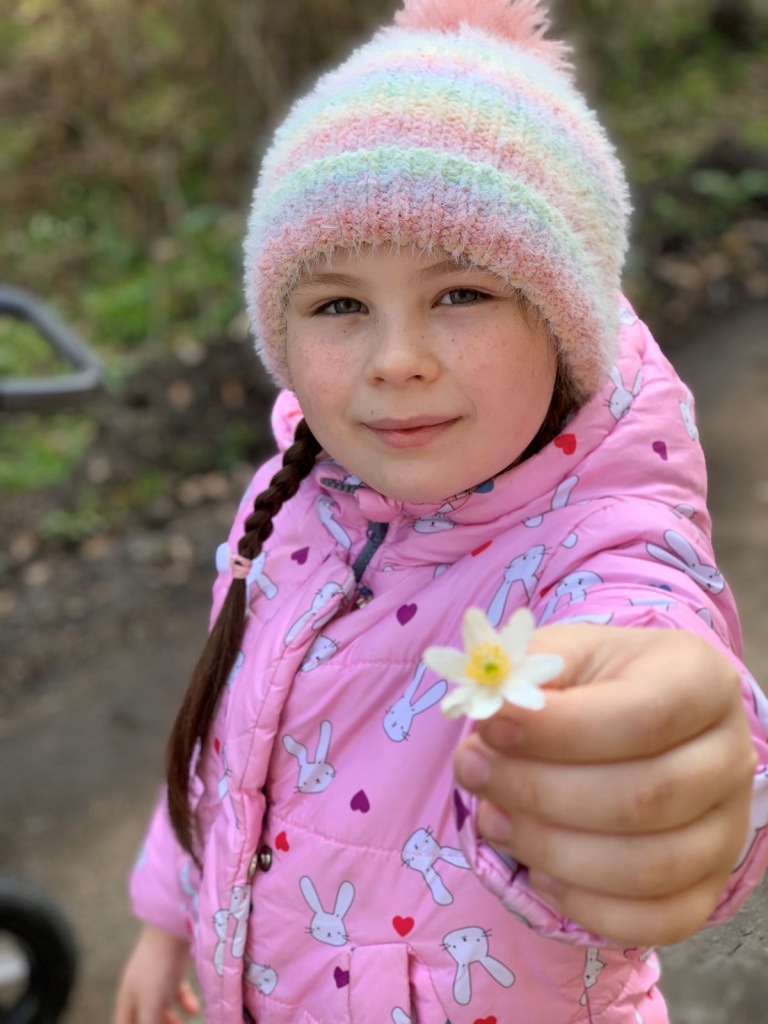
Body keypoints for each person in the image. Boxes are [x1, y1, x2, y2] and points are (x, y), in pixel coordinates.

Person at [114, 1, 768, 1021]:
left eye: (460, 293)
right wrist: (169, 920)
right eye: (339, 304)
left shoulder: (591, 552)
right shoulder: (287, 509)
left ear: (564, 323)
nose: (396, 358)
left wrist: (686, 772)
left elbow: (653, 653)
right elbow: (227, 742)